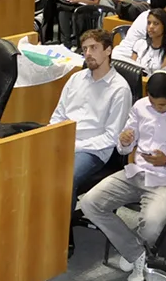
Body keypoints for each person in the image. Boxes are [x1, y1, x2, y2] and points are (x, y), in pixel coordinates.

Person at [81, 72, 166, 281]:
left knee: (152, 226)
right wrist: (124, 141)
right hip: (137, 173)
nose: (155, 108)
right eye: (152, 102)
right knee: (90, 203)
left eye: (160, 105)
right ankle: (137, 253)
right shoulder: (142, 106)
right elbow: (125, 148)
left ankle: (135, 249)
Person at [48, 29, 132, 208]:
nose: (88, 54)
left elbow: (111, 137)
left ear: (108, 50)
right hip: (65, 140)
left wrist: (75, 146)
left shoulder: (120, 89)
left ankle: (62, 233)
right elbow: (58, 115)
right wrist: (52, 137)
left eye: (94, 48)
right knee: (30, 167)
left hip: (93, 151)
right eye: (85, 49)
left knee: (65, 179)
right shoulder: (75, 79)